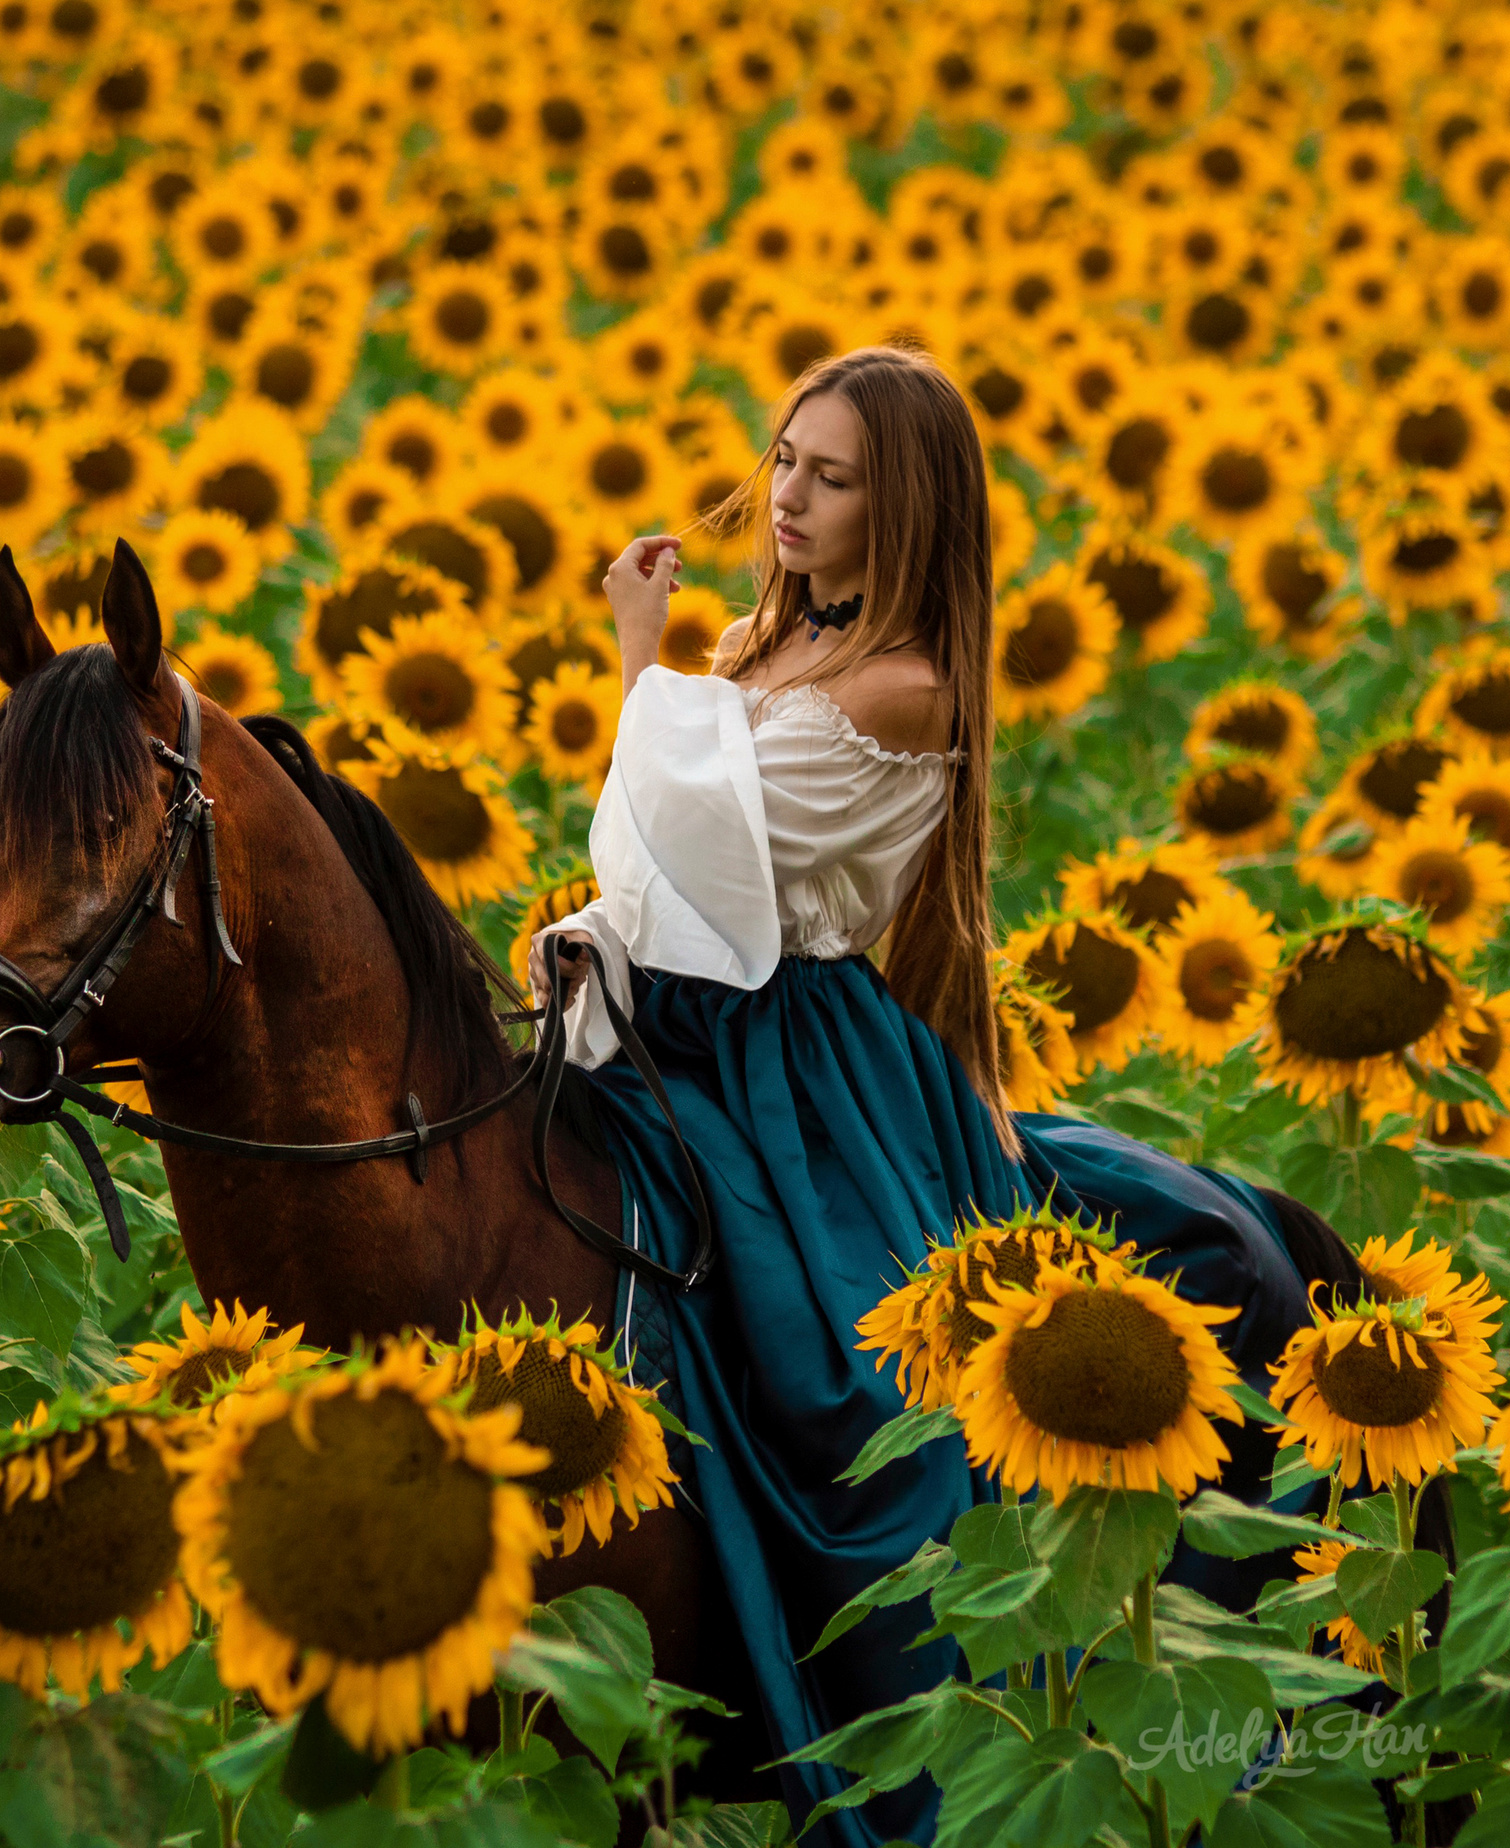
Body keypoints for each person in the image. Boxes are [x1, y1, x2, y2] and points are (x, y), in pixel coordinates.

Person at [527, 346, 1312, 1847]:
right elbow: (645, 848)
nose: (789, 498)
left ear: (910, 510)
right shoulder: (764, 645)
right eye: (783, 460)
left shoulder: (901, 688)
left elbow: (695, 849)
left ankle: (923, 1744)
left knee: (848, 1401)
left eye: (835, 477)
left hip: (797, 1072)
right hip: (667, 1025)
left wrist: (641, 657)